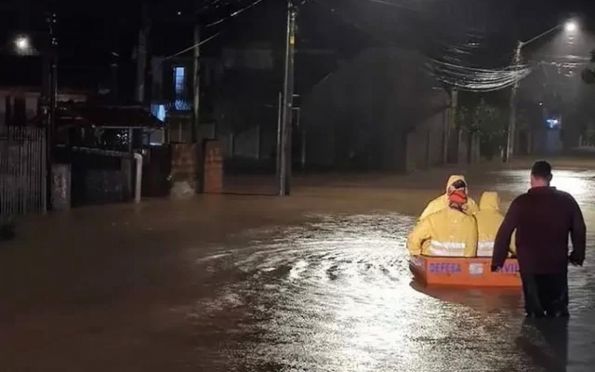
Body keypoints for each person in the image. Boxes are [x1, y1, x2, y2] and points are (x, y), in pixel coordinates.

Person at [492, 161, 586, 318]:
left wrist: (498, 260)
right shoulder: (567, 200)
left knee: (534, 315)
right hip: (557, 265)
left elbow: (505, 232)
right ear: (550, 177)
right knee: (559, 314)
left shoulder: (521, 202)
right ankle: (559, 341)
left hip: (530, 267)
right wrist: (578, 255)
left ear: (531, 177)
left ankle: (534, 341)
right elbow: (579, 229)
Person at [408, 188, 478, 257]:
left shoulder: (433, 218)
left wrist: (416, 253)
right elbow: (471, 249)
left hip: (433, 262)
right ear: (463, 204)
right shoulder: (470, 221)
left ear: (449, 201)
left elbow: (414, 237)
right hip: (458, 264)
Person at [475, 191, 515, 257]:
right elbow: (513, 244)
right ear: (497, 203)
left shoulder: (473, 219)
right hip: (497, 258)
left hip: (476, 258)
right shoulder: (502, 220)